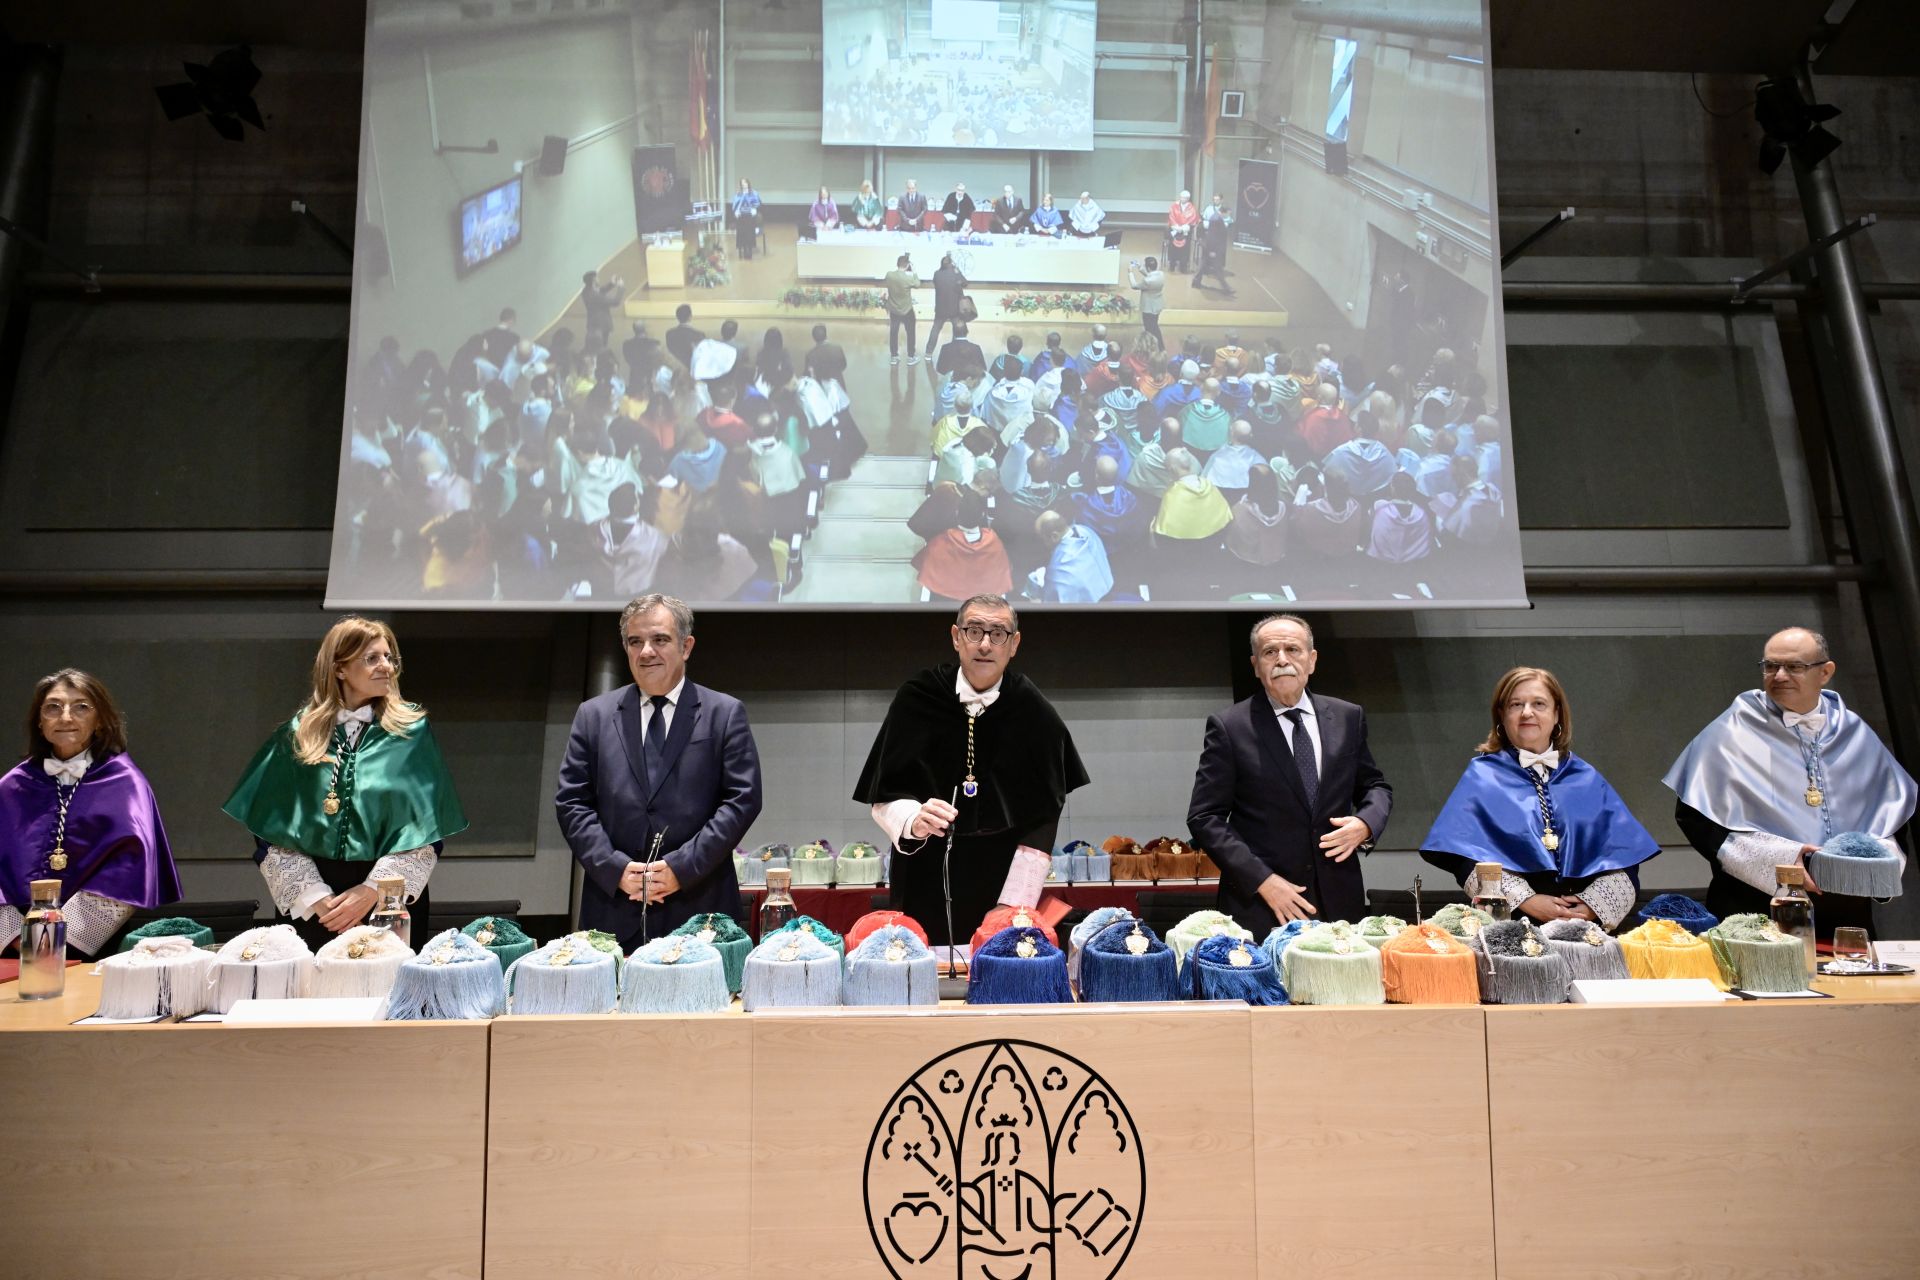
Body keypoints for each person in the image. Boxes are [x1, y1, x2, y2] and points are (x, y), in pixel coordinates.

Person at [855, 596, 1089, 945]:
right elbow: (884, 792)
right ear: (956, 637)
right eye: (974, 630)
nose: (984, 644)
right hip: (924, 871)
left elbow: (1044, 819)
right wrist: (913, 820)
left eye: (998, 634)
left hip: (1000, 880)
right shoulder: (917, 698)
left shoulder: (1034, 711)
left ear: (1014, 644)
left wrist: (1012, 904)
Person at [224, 617, 467, 950]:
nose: (386, 666)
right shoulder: (298, 734)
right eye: (372, 658)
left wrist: (371, 891)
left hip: (388, 899)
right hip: (313, 907)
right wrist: (316, 898)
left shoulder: (411, 732)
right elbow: (271, 832)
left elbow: (425, 830)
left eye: (389, 657)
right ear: (339, 669)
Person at [1664, 627, 1916, 935]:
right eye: (1771, 666)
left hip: (1845, 914)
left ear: (1825, 672)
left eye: (1794, 667)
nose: (1779, 675)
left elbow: (1890, 816)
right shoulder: (1734, 730)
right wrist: (1783, 859)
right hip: (1756, 909)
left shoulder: (1854, 732)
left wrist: (1871, 863)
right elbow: (1697, 817)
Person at [556, 595, 763, 948]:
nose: (646, 652)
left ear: (686, 646)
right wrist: (615, 869)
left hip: (700, 910)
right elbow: (572, 802)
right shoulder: (593, 715)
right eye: (635, 642)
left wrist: (682, 868)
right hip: (613, 910)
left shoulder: (724, 714)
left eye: (660, 640)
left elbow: (742, 801)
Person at [1188, 614, 1393, 932]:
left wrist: (1366, 824)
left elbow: (1374, 786)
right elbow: (1204, 817)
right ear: (1256, 665)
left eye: (1293, 650)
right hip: (1262, 904)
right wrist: (1263, 881)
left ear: (1311, 660)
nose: (1282, 660)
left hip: (1338, 901)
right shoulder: (1230, 727)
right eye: (1270, 652)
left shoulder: (1347, 716)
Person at [1421, 667, 1660, 929]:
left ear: (1557, 714)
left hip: (1583, 930)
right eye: (1515, 704)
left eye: (1538, 704)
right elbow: (1464, 859)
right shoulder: (1481, 777)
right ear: (1502, 714)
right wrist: (1526, 899)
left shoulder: (1586, 777)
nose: (1527, 712)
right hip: (1511, 926)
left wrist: (1591, 906)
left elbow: (1625, 859)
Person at [0, 669, 181, 958]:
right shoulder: (12, 786)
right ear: (39, 720)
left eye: (81, 707)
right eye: (53, 707)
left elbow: (128, 865)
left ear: (99, 721)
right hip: (13, 950)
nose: (66, 717)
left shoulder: (125, 782)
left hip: (95, 947)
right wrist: (17, 937)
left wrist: (55, 941)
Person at [912, 493, 1012, 602]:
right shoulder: (994, 542)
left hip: (945, 601)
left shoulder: (941, 542)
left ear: (957, 513)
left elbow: (926, 570)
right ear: (982, 514)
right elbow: (1002, 573)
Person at [1033, 510, 1114, 603]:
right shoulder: (1087, 531)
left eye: (1041, 539)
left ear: (1054, 536)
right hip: (1108, 591)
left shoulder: (1057, 572)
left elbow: (1052, 602)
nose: (1042, 544)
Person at [925, 254, 967, 359]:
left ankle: (928, 353)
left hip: (941, 309)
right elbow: (965, 283)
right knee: (956, 330)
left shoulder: (937, 274)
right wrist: (957, 271)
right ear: (951, 264)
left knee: (935, 330)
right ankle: (954, 352)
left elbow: (936, 283)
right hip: (955, 309)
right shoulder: (955, 274)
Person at [1191, 199, 1234, 295]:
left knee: (1203, 265)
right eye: (1228, 214)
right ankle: (1226, 288)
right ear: (1224, 212)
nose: (1228, 216)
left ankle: (1196, 281)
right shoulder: (1216, 219)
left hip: (1209, 247)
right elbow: (1212, 236)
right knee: (1217, 268)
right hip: (1212, 248)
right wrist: (1212, 250)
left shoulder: (1216, 217)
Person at [884, 253, 919, 366]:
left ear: (897, 264)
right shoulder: (908, 278)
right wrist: (914, 272)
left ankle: (894, 356)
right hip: (907, 310)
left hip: (894, 309)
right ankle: (910, 357)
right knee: (911, 333)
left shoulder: (889, 275)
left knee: (893, 332)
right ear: (907, 265)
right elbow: (918, 284)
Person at [579, 269, 626, 353]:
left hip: (592, 323)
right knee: (601, 348)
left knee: (596, 347)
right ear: (594, 280)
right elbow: (615, 302)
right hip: (601, 324)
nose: (599, 279)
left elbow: (600, 290)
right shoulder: (595, 296)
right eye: (597, 278)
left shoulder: (586, 291)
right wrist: (621, 288)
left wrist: (611, 284)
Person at [1129, 256, 1165, 345]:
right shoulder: (1161, 274)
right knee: (1154, 325)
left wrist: (1130, 273)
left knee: (1150, 328)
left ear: (1148, 267)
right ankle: (1157, 345)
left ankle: (1156, 345)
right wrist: (1140, 267)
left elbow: (1134, 286)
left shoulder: (1147, 281)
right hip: (1157, 305)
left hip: (1148, 307)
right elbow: (1150, 275)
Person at [1166, 190, 1199, 272]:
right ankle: (1172, 265)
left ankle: (1183, 266)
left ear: (1188, 199)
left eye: (1185, 198)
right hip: (1175, 229)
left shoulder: (1191, 208)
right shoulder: (1174, 206)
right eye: (1181, 197)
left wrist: (1184, 227)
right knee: (1172, 248)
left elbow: (1193, 218)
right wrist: (1176, 226)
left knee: (1185, 250)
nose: (1183, 199)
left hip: (1185, 231)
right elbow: (1171, 216)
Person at [730, 177, 762, 259]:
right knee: (741, 231)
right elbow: (735, 205)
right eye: (742, 183)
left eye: (745, 182)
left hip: (750, 215)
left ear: (748, 183)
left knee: (749, 231)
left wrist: (754, 209)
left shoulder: (753, 193)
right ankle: (743, 249)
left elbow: (758, 203)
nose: (744, 184)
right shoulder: (738, 194)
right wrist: (736, 211)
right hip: (741, 216)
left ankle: (749, 250)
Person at [665, 304, 704, 371]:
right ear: (690, 317)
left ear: (677, 317)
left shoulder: (669, 334)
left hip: (674, 370)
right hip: (691, 371)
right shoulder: (699, 335)